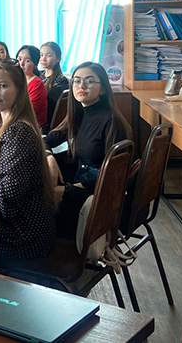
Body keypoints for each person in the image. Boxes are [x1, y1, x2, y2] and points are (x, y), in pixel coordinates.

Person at [0, 60, 57, 260]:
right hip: (24, 231)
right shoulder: (6, 124)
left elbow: (7, 203)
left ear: (19, 90)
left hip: (23, 239)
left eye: (3, 86)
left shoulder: (17, 133)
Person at [46, 62, 131, 240]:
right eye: (76, 81)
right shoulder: (79, 115)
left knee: (40, 199)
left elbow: (112, 174)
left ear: (103, 89)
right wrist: (49, 157)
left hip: (97, 193)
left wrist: (67, 190)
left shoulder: (111, 121)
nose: (81, 86)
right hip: (80, 183)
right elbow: (47, 140)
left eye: (90, 81)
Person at [39, 41, 69, 131]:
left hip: (46, 122)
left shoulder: (61, 80)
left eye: (49, 56)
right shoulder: (37, 75)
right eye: (41, 55)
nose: (43, 59)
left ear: (58, 59)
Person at [16, 45, 47, 127]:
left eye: (27, 61)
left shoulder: (37, 84)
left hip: (32, 126)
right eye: (19, 59)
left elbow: (28, 112)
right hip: (18, 121)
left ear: (35, 65)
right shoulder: (16, 80)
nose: (21, 64)